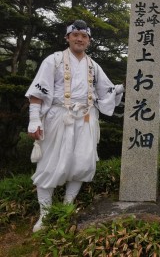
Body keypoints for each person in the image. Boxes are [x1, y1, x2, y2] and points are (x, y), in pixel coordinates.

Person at [26, 20, 124, 232]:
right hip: (58, 117)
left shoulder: (93, 65)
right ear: (67, 37)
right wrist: (34, 119)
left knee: (82, 162)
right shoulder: (54, 60)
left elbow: (106, 91)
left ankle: (67, 206)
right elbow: (37, 92)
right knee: (49, 163)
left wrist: (123, 87)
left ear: (89, 40)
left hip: (86, 118)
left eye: (84, 36)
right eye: (75, 35)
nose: (79, 39)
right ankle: (45, 213)